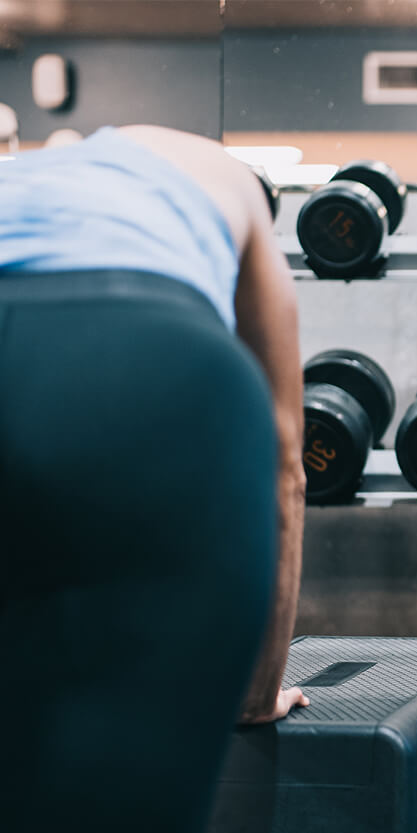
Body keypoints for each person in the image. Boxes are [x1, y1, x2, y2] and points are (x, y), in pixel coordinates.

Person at [0, 125, 309, 831]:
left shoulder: (27, 170)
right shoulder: (227, 178)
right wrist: (258, 694)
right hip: (142, 359)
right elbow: (284, 464)